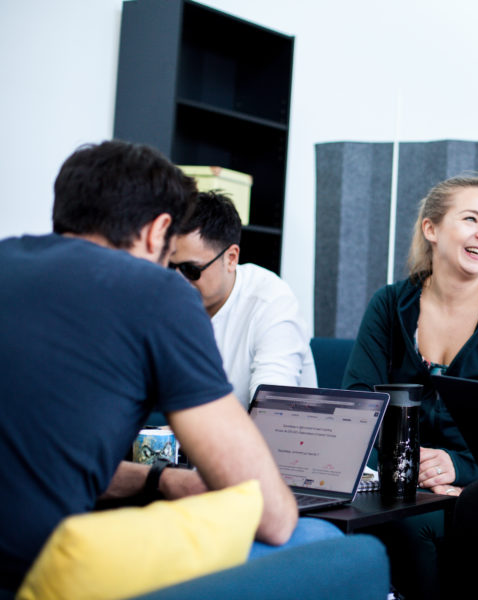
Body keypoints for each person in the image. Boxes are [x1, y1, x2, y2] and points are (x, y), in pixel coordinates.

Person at [0, 141, 331, 594]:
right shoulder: (156, 293)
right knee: (318, 539)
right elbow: (271, 516)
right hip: (34, 575)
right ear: (158, 231)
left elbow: (45, 460)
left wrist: (160, 479)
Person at [342, 174, 478, 599]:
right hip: (395, 483)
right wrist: (407, 464)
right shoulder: (389, 304)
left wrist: (460, 466)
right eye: (471, 219)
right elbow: (357, 405)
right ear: (431, 229)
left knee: (414, 527)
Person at [168, 191, 316, 408]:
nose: (178, 281)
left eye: (191, 269)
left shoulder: (272, 302)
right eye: (170, 267)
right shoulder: (170, 298)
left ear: (231, 258)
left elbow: (271, 410)